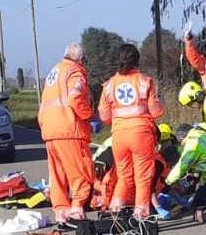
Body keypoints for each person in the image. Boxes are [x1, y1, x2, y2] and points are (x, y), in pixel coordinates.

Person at [98, 44, 164, 218]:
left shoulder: (109, 85)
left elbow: (104, 116)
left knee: (124, 176)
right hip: (141, 134)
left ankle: (115, 211)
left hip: (119, 136)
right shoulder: (145, 81)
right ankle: (141, 215)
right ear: (137, 60)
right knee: (142, 177)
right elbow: (156, 112)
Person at [38, 42, 95, 223]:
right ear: (81, 59)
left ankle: (61, 212)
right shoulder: (75, 72)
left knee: (57, 174)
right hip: (69, 129)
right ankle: (78, 208)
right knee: (80, 170)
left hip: (49, 129)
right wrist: (88, 115)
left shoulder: (54, 72)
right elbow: (75, 97)